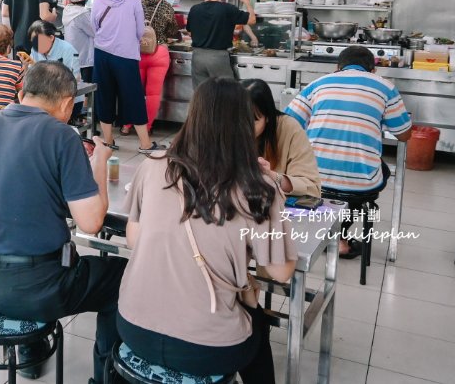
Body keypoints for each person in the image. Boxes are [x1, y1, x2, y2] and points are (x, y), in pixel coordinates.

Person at [0, 61, 125, 384]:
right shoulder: (63, 137)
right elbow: (90, 222)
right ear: (65, 103)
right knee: (119, 277)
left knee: (21, 255)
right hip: (37, 290)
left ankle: (30, 351)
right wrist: (99, 160)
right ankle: (107, 377)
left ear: (21, 93)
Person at [119, 77, 297, 383]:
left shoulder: (153, 165)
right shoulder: (258, 187)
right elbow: (281, 273)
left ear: (193, 116)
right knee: (258, 325)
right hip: (206, 348)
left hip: (134, 329)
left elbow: (133, 239)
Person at [286, 45, 412, 256]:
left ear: (338, 67)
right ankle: (341, 241)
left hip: (312, 178)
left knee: (332, 177)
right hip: (359, 186)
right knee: (369, 177)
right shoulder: (385, 87)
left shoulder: (318, 84)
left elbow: (289, 123)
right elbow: (404, 135)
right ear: (373, 70)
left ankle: (320, 234)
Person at [91, 0, 164, 157]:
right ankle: (145, 144)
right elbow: (141, 31)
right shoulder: (132, 1)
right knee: (133, 98)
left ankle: (108, 141)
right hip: (126, 57)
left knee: (104, 96)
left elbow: (94, 28)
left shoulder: (98, 2)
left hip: (102, 55)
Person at [242, 78, 321, 198]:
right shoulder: (225, 128)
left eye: (253, 120)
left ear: (268, 116)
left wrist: (271, 176)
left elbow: (311, 187)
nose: (244, 127)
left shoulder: (288, 129)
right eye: (238, 119)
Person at [186, 0, 256, 88]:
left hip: (198, 57)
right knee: (225, 94)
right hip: (217, 58)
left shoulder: (194, 9)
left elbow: (189, 32)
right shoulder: (227, 9)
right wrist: (247, 2)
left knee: (201, 94)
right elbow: (252, 19)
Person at [133, 0, 179, 135]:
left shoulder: (137, 3)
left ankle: (127, 125)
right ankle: (147, 127)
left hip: (138, 52)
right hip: (159, 52)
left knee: (134, 91)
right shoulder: (167, 7)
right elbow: (174, 31)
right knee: (152, 94)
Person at [62, 0, 95, 83]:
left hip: (73, 59)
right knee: (85, 91)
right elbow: (95, 31)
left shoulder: (68, 10)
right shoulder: (82, 14)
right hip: (84, 61)